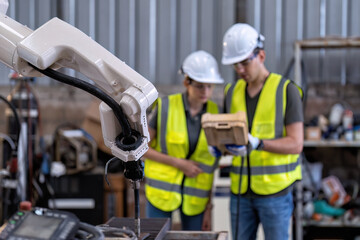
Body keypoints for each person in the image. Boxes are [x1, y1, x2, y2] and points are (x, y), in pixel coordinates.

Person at [213, 23, 304, 240]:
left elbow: (296, 143)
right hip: (240, 192)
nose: (240, 70)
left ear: (261, 55)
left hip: (275, 194)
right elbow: (228, 137)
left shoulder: (286, 90)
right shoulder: (230, 92)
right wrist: (220, 147)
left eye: (245, 63)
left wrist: (259, 143)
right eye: (235, 65)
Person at [143, 50, 224, 231]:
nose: (206, 92)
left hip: (196, 197)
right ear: (187, 82)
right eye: (200, 86)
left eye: (210, 86)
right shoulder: (165, 107)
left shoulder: (216, 114)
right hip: (160, 194)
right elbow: (142, 149)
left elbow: (212, 165)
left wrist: (209, 208)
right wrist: (179, 163)